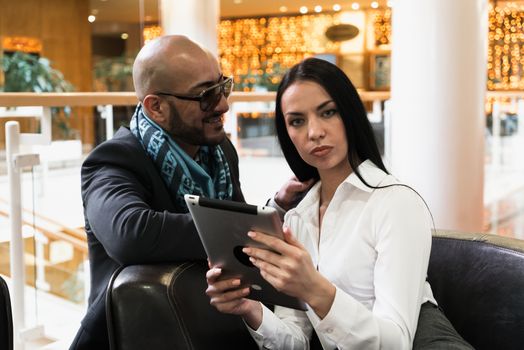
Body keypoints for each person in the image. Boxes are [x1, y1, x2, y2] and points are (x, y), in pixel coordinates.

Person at [206, 58, 474, 349]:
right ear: (287, 134)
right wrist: (250, 308)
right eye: (297, 121)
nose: (314, 132)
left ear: (350, 114)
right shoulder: (298, 218)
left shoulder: (395, 202)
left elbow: (397, 342)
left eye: (328, 112)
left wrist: (314, 288)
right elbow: (296, 341)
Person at [70, 35, 310, 350]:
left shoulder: (220, 151)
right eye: (205, 96)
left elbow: (239, 246)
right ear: (156, 107)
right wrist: (242, 229)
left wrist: (274, 208)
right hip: (142, 336)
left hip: (217, 325)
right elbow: (130, 234)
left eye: (222, 86)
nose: (223, 104)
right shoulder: (113, 161)